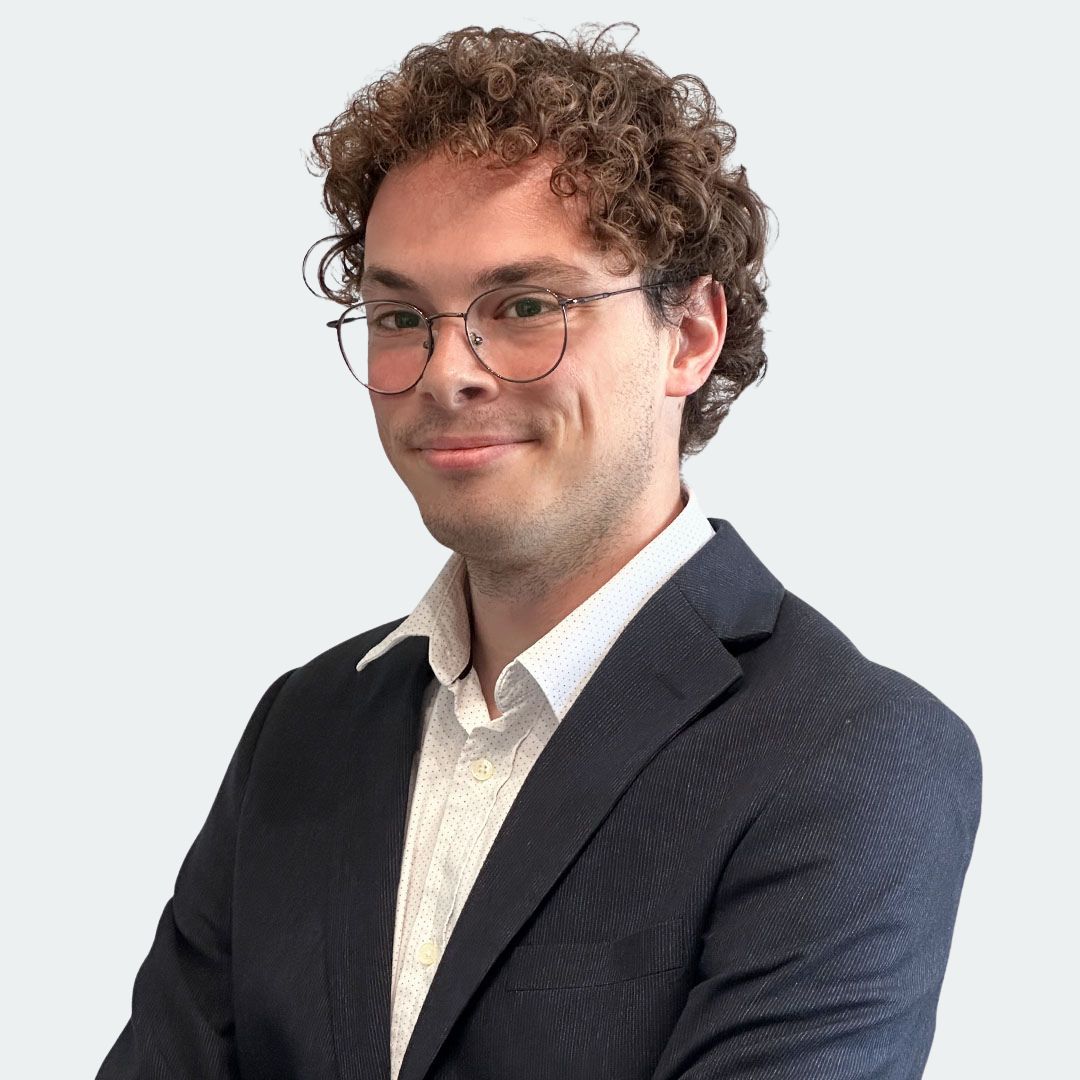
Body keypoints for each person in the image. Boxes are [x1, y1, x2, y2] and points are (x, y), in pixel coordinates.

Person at [96, 23, 981, 1080]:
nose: (446, 372)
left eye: (524, 306)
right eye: (399, 315)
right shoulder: (303, 727)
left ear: (691, 335)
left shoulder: (852, 755)